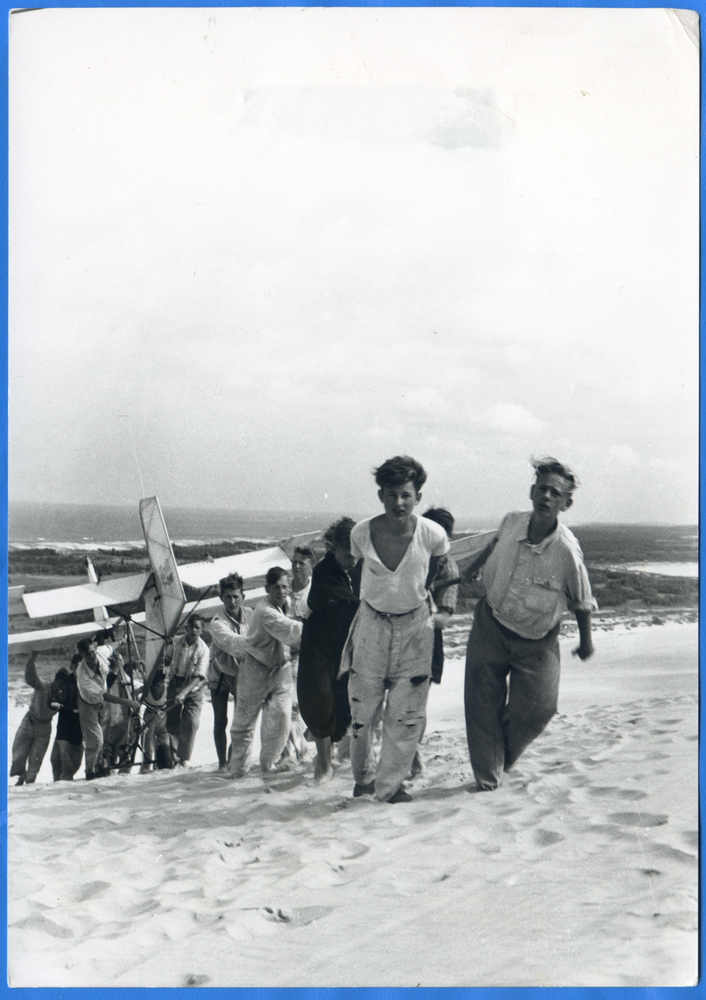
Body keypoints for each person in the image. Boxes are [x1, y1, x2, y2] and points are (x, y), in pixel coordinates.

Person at [463, 457, 596, 791]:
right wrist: (471, 569)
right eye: (542, 488)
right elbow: (493, 545)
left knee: (538, 710)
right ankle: (487, 781)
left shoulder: (567, 551)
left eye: (555, 492)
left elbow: (581, 600)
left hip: (537, 640)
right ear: (531, 491)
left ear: (567, 503)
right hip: (490, 624)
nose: (546, 496)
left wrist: (586, 641)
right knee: (481, 707)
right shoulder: (511, 522)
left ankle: (500, 756)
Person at [342, 455, 450, 803]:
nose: (398, 503)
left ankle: (390, 788)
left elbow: (439, 572)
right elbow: (357, 575)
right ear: (380, 495)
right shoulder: (361, 533)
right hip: (371, 625)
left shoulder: (432, 534)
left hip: (416, 628)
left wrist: (431, 605)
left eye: (406, 495)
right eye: (391, 494)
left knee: (405, 716)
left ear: (418, 496)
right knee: (362, 713)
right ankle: (363, 780)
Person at [297, 517, 361, 782]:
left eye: (356, 554)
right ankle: (324, 764)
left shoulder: (359, 564)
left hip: (345, 644)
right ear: (334, 549)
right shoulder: (324, 572)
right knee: (319, 699)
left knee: (343, 704)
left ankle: (326, 756)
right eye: (347, 555)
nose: (353, 560)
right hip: (320, 644)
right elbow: (347, 604)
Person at [227, 566, 303, 778]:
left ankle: (268, 765)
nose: (281, 591)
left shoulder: (285, 604)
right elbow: (291, 630)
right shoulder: (265, 611)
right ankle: (238, 771)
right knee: (244, 724)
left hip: (281, 668)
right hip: (255, 668)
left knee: (282, 717)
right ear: (268, 588)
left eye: (285, 587)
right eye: (277, 587)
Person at [76, 634, 140, 781]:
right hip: (88, 705)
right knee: (96, 740)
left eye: (93, 651)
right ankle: (90, 771)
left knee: (104, 738)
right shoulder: (82, 675)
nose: (92, 655)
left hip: (101, 704)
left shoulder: (100, 653)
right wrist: (127, 702)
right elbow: (104, 695)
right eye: (88, 653)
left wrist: (123, 639)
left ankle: (100, 766)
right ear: (82, 655)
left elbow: (111, 646)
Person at [208, 574, 253, 770]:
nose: (232, 601)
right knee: (221, 719)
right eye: (228, 597)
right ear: (221, 598)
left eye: (236, 596)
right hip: (219, 673)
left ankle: (233, 758)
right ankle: (222, 763)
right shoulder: (218, 622)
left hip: (241, 673)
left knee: (240, 721)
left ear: (243, 596)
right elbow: (233, 644)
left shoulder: (251, 615)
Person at [279, 545, 316, 763]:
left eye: (302, 562)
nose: (297, 566)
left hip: (306, 656)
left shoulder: (315, 592)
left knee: (299, 706)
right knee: (284, 705)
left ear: (311, 568)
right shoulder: (284, 590)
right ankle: (288, 751)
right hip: (282, 656)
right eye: (294, 562)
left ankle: (298, 747)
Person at [10, 652, 64, 785]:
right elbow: (30, 678)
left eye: (62, 687)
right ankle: (21, 776)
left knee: (36, 758)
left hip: (44, 727)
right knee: (18, 752)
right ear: (55, 680)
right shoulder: (43, 686)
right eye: (58, 684)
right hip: (29, 721)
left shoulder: (62, 695)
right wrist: (32, 660)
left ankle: (29, 781)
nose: (59, 688)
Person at [164, 615, 210, 767]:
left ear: (202, 630)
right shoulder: (177, 641)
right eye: (191, 627)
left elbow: (198, 677)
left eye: (197, 627)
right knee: (171, 722)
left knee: (191, 722)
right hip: (175, 681)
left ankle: (183, 759)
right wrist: (166, 644)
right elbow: (166, 659)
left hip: (194, 687)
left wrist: (184, 693)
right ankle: (175, 755)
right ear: (186, 628)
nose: (194, 630)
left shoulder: (204, 649)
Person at [50, 654, 84, 781]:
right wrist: (53, 702)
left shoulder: (88, 683)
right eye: (77, 668)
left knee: (76, 761)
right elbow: (56, 697)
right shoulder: (64, 684)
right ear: (72, 667)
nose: (79, 671)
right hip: (64, 726)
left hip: (79, 728)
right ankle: (58, 781)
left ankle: (65, 779)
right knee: (57, 759)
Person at [140, 667, 173, 772]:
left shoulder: (167, 689)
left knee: (164, 744)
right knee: (148, 746)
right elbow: (134, 694)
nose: (155, 688)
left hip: (162, 718)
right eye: (153, 685)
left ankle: (160, 766)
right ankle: (146, 768)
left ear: (163, 683)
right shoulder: (146, 689)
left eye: (158, 686)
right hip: (148, 718)